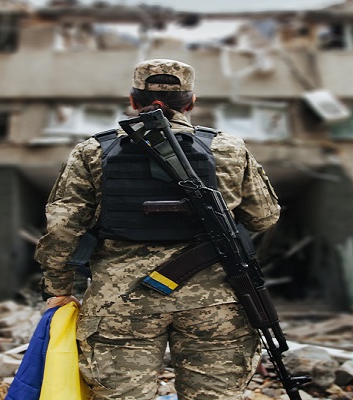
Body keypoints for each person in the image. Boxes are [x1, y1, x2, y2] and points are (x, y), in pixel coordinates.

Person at [34, 59, 281, 399]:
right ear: (191, 102)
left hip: (120, 303)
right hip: (215, 304)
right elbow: (263, 218)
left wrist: (57, 289)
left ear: (133, 101)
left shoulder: (92, 151)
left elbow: (63, 228)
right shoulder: (228, 149)